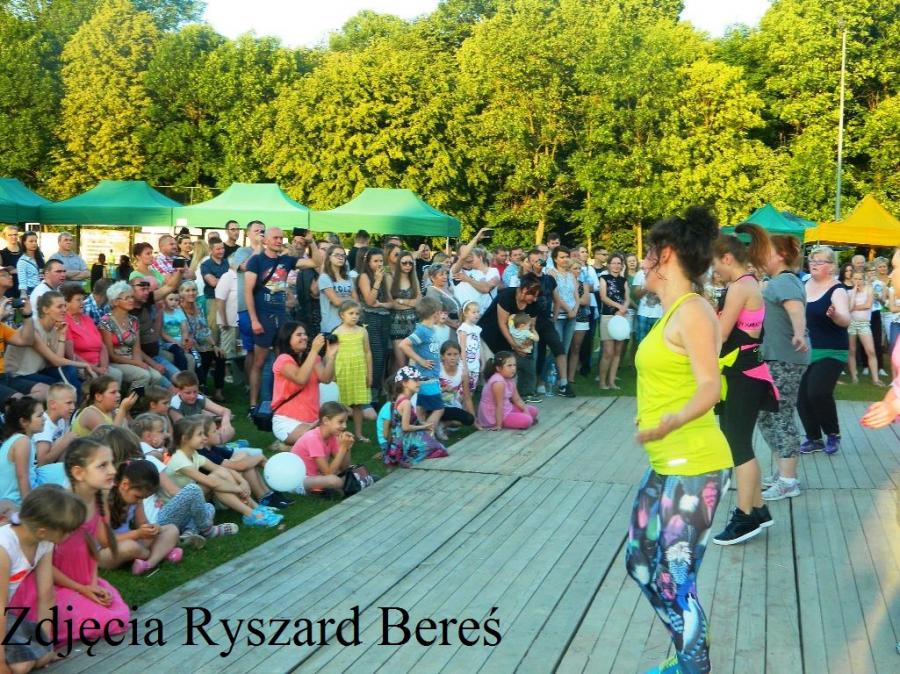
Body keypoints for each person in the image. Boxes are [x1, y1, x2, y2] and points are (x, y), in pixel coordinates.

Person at [628, 206, 732, 674]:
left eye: (648, 252)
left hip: (695, 462)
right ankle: (688, 653)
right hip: (666, 463)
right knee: (640, 564)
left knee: (675, 578)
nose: (642, 261)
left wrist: (669, 422)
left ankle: (693, 665)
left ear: (665, 254)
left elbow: (710, 387)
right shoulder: (672, 311)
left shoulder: (692, 311)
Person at [15, 438, 131, 646]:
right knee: (105, 620)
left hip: (83, 578)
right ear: (79, 473)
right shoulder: (60, 507)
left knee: (117, 612)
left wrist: (92, 584)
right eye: (103, 465)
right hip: (53, 582)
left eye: (112, 463)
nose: (113, 470)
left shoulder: (98, 500)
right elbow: (43, 563)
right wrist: (81, 588)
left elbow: (92, 548)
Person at [710, 225, 777, 545]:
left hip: (743, 375)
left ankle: (745, 517)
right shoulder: (745, 283)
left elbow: (721, 333)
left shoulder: (740, 286)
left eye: (715, 264)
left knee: (738, 446)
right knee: (739, 443)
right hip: (743, 372)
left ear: (727, 258)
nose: (714, 270)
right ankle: (759, 508)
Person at [0, 485, 86, 671]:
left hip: (6, 618)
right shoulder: (4, 546)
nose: (70, 534)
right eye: (66, 530)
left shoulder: (44, 542)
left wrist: (45, 645)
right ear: (42, 531)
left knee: (42, 657)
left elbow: (46, 594)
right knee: (21, 667)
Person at [244, 227, 320, 412]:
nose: (279, 241)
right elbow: (247, 292)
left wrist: (311, 242)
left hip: (281, 316)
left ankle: (279, 402)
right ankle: (254, 405)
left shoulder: (287, 260)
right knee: (259, 362)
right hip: (262, 315)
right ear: (265, 241)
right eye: (275, 238)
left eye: (281, 238)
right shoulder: (256, 261)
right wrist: (254, 320)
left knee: (284, 359)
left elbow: (317, 262)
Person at [759, 234, 810, 502]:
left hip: (786, 358)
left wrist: (799, 333)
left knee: (781, 415)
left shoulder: (786, 281)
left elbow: (796, 310)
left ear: (780, 255)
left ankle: (789, 481)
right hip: (775, 357)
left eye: (765, 251)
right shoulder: (777, 282)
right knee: (766, 415)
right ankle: (783, 472)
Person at [166, 417, 281, 527]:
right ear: (185, 438)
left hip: (193, 498)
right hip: (178, 510)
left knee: (221, 474)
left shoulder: (194, 455)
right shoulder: (180, 460)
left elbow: (221, 469)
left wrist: (243, 482)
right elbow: (211, 483)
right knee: (215, 481)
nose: (204, 438)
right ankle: (250, 514)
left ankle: (255, 508)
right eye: (199, 434)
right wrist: (238, 489)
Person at [798, 246, 851, 455]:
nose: (814, 264)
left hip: (832, 350)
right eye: (812, 260)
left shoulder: (837, 289)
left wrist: (835, 316)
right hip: (806, 350)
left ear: (831, 266)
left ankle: (833, 434)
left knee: (818, 392)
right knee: (801, 397)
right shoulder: (803, 285)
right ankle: (814, 439)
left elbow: (845, 319)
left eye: (820, 261)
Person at [103, 460, 181, 575]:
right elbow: (105, 541)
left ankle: (149, 563)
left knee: (172, 529)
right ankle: (160, 554)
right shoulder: (104, 501)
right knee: (130, 547)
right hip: (106, 551)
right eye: (138, 497)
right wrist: (137, 534)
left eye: (143, 498)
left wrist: (153, 528)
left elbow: (143, 523)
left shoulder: (135, 500)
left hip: (132, 541)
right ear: (125, 484)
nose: (140, 501)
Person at [6, 291, 88, 393]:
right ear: (45, 309)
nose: (64, 310)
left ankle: (76, 400)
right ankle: (76, 401)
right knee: (58, 385)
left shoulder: (53, 329)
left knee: (68, 370)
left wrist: (62, 335)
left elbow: (58, 361)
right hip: (18, 375)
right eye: (59, 307)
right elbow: (56, 361)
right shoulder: (33, 328)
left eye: (64, 306)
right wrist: (84, 365)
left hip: (37, 372)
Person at [479, 274, 543, 403]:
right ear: (524, 290)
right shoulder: (506, 296)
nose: (535, 299)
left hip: (513, 337)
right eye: (533, 295)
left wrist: (526, 343)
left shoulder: (534, 303)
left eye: (537, 296)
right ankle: (490, 397)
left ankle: (519, 394)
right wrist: (514, 345)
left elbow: (531, 326)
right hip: (490, 334)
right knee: (491, 367)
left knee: (517, 364)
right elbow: (502, 323)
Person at [272, 321, 337, 445]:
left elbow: (326, 379)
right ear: (287, 338)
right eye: (299, 335)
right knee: (316, 440)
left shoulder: (313, 358)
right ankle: (287, 445)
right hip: (287, 419)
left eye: (305, 334)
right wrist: (314, 351)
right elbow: (300, 379)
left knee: (336, 440)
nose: (304, 337)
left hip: (313, 419)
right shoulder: (283, 359)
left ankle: (290, 446)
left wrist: (331, 356)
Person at [98, 282, 168, 390]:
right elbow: (111, 355)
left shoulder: (134, 320)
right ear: (115, 301)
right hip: (116, 362)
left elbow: (136, 348)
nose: (131, 300)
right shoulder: (106, 322)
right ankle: (132, 399)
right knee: (144, 375)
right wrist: (136, 363)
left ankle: (145, 398)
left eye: (131, 297)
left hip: (132, 359)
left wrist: (139, 363)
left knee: (157, 377)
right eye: (127, 298)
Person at [398, 297, 447, 440]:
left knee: (421, 408)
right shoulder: (422, 331)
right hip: (426, 377)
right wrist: (420, 360)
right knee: (439, 408)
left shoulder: (430, 330)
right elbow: (403, 345)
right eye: (440, 312)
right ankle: (426, 435)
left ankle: (419, 437)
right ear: (435, 314)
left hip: (430, 376)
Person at [385, 368, 448, 467]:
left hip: (398, 443)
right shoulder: (406, 402)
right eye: (415, 380)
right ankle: (408, 458)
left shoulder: (399, 398)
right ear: (404, 383)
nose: (419, 383)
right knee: (440, 449)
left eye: (419, 379)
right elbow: (405, 427)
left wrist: (424, 425)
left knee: (436, 445)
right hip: (406, 444)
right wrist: (424, 427)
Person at [62, 282, 122, 384]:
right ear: (66, 303)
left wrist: (104, 367)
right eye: (78, 300)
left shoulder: (87, 319)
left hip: (100, 364)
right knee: (98, 379)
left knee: (117, 374)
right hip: (82, 367)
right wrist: (96, 369)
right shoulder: (65, 322)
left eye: (83, 299)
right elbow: (71, 354)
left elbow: (102, 346)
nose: (83, 303)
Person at [355, 247, 392, 400]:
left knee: (384, 355)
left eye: (381, 261)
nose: (379, 264)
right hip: (370, 319)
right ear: (368, 262)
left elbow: (392, 302)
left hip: (385, 318)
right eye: (375, 261)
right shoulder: (364, 276)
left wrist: (381, 304)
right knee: (376, 356)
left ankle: (377, 389)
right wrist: (377, 281)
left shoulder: (386, 276)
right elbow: (370, 301)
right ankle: (372, 393)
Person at [333, 301, 372, 442]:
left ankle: (358, 434)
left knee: (358, 404)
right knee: (340, 406)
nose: (355, 316)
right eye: (351, 313)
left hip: (359, 372)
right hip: (343, 372)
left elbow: (367, 352)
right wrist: (333, 375)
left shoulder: (362, 331)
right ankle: (340, 435)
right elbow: (332, 355)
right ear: (342, 315)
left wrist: (369, 374)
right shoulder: (337, 332)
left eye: (357, 314)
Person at [181, 280, 225, 400]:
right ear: (181, 293)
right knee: (204, 355)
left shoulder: (199, 307)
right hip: (187, 344)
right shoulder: (178, 309)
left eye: (193, 290)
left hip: (201, 342)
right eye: (187, 290)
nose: (191, 293)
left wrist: (214, 345)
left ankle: (218, 391)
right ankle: (200, 388)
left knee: (220, 354)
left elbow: (204, 329)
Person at [477, 351, 540, 430]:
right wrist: (498, 425)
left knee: (533, 411)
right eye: (509, 365)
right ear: (498, 368)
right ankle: (510, 421)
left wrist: (525, 411)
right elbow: (499, 405)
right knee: (527, 420)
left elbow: (517, 399)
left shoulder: (509, 378)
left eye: (514, 365)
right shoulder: (498, 382)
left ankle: (520, 418)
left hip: (507, 408)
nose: (513, 368)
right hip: (494, 414)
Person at [0, 397, 46, 505]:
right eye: (39, 416)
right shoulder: (22, 441)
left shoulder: (20, 439)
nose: (44, 419)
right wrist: (28, 507)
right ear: (24, 421)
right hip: (13, 501)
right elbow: (22, 477)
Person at [33, 383, 77, 486]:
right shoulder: (44, 424)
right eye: (69, 403)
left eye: (74, 403)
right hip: (38, 475)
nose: (73, 407)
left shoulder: (61, 420)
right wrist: (64, 442)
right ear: (53, 404)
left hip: (52, 467)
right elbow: (41, 463)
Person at [598, 253, 630, 390]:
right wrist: (619, 307)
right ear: (609, 265)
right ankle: (602, 382)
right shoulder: (603, 278)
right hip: (608, 317)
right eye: (614, 263)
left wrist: (623, 309)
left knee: (617, 352)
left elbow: (627, 298)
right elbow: (603, 297)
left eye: (619, 263)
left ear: (622, 266)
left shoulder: (624, 280)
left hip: (621, 318)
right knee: (608, 352)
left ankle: (612, 382)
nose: (616, 266)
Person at [847, 271, 883, 385]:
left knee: (870, 351)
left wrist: (854, 307)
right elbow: (848, 308)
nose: (857, 281)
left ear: (863, 280)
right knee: (852, 350)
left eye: (860, 279)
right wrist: (854, 293)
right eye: (855, 279)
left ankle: (875, 379)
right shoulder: (849, 292)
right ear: (852, 280)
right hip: (851, 323)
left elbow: (868, 305)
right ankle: (854, 376)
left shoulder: (869, 289)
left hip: (864, 324)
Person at [71, 376, 137, 437]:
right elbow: (110, 439)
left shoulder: (113, 412)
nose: (118, 395)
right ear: (98, 397)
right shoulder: (90, 413)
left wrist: (126, 411)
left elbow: (130, 434)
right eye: (113, 392)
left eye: (118, 391)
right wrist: (122, 410)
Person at [389, 250, 421, 371]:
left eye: (410, 263)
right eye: (404, 263)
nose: (408, 265)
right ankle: (394, 383)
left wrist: (402, 301)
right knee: (401, 363)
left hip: (413, 322)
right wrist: (411, 303)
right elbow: (392, 304)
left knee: (410, 362)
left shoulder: (413, 278)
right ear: (398, 263)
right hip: (396, 323)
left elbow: (418, 301)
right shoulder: (392, 278)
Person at [318, 245, 356, 334]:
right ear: (329, 257)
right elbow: (336, 302)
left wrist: (343, 299)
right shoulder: (324, 277)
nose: (340, 257)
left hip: (349, 325)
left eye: (343, 255)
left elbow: (356, 300)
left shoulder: (348, 277)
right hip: (332, 326)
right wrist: (349, 299)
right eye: (337, 255)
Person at [438, 341, 476, 427]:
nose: (453, 358)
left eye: (455, 354)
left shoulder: (463, 372)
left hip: (451, 406)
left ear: (459, 355)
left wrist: (474, 420)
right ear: (442, 356)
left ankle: (442, 424)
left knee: (469, 419)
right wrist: (444, 389)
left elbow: (467, 398)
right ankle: (436, 423)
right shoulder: (437, 369)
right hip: (436, 405)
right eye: (449, 354)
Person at [456, 301, 483, 392]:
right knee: (462, 391)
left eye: (478, 312)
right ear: (466, 313)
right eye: (474, 312)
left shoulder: (477, 329)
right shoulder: (464, 329)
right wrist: (464, 366)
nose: (477, 314)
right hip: (465, 365)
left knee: (471, 390)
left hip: (475, 365)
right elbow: (462, 349)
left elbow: (479, 346)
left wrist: (482, 360)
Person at [15, 232, 44, 299]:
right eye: (31, 241)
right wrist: (23, 294)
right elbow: (22, 281)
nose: (34, 243)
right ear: (24, 243)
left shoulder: (40, 257)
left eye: (35, 241)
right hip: (31, 291)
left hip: (42, 288)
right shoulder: (22, 261)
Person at [0, 226, 23, 298]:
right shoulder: (2, 254)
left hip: (24, 289)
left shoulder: (25, 252)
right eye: (10, 235)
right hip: (9, 292)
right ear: (5, 237)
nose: (13, 237)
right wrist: (9, 271)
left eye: (15, 234)